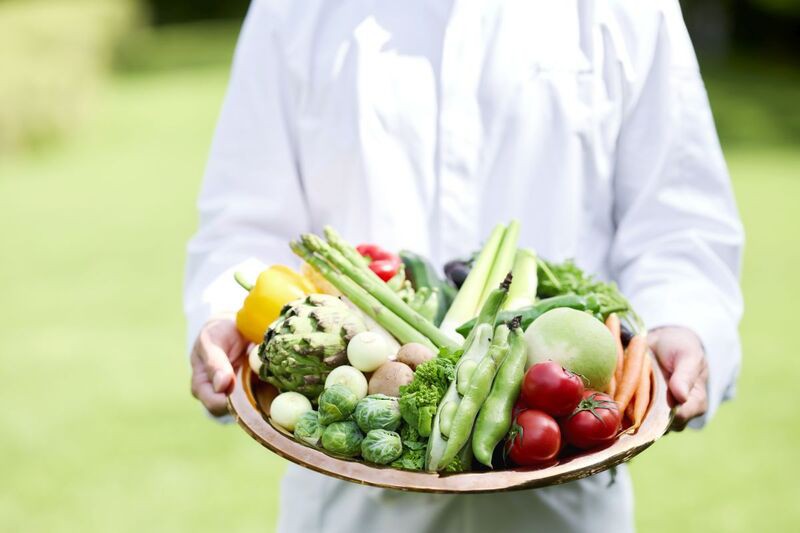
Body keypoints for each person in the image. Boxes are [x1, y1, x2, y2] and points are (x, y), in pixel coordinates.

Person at [184, 1, 743, 531]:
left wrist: (683, 322)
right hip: (348, 499)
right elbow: (243, 221)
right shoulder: (295, 10)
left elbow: (680, 223)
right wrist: (224, 317)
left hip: (565, 492)